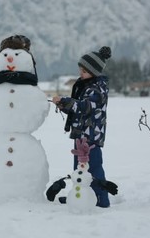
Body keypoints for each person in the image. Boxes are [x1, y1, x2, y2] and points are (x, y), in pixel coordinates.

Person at [52, 46, 112, 208]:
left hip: (91, 135)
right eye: (80, 69)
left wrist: (65, 101)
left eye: (85, 71)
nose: (81, 73)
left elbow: (85, 106)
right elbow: (77, 109)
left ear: (95, 71)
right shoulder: (86, 85)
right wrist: (63, 105)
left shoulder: (97, 88)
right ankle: (78, 196)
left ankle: (101, 198)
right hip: (81, 134)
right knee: (79, 168)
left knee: (93, 167)